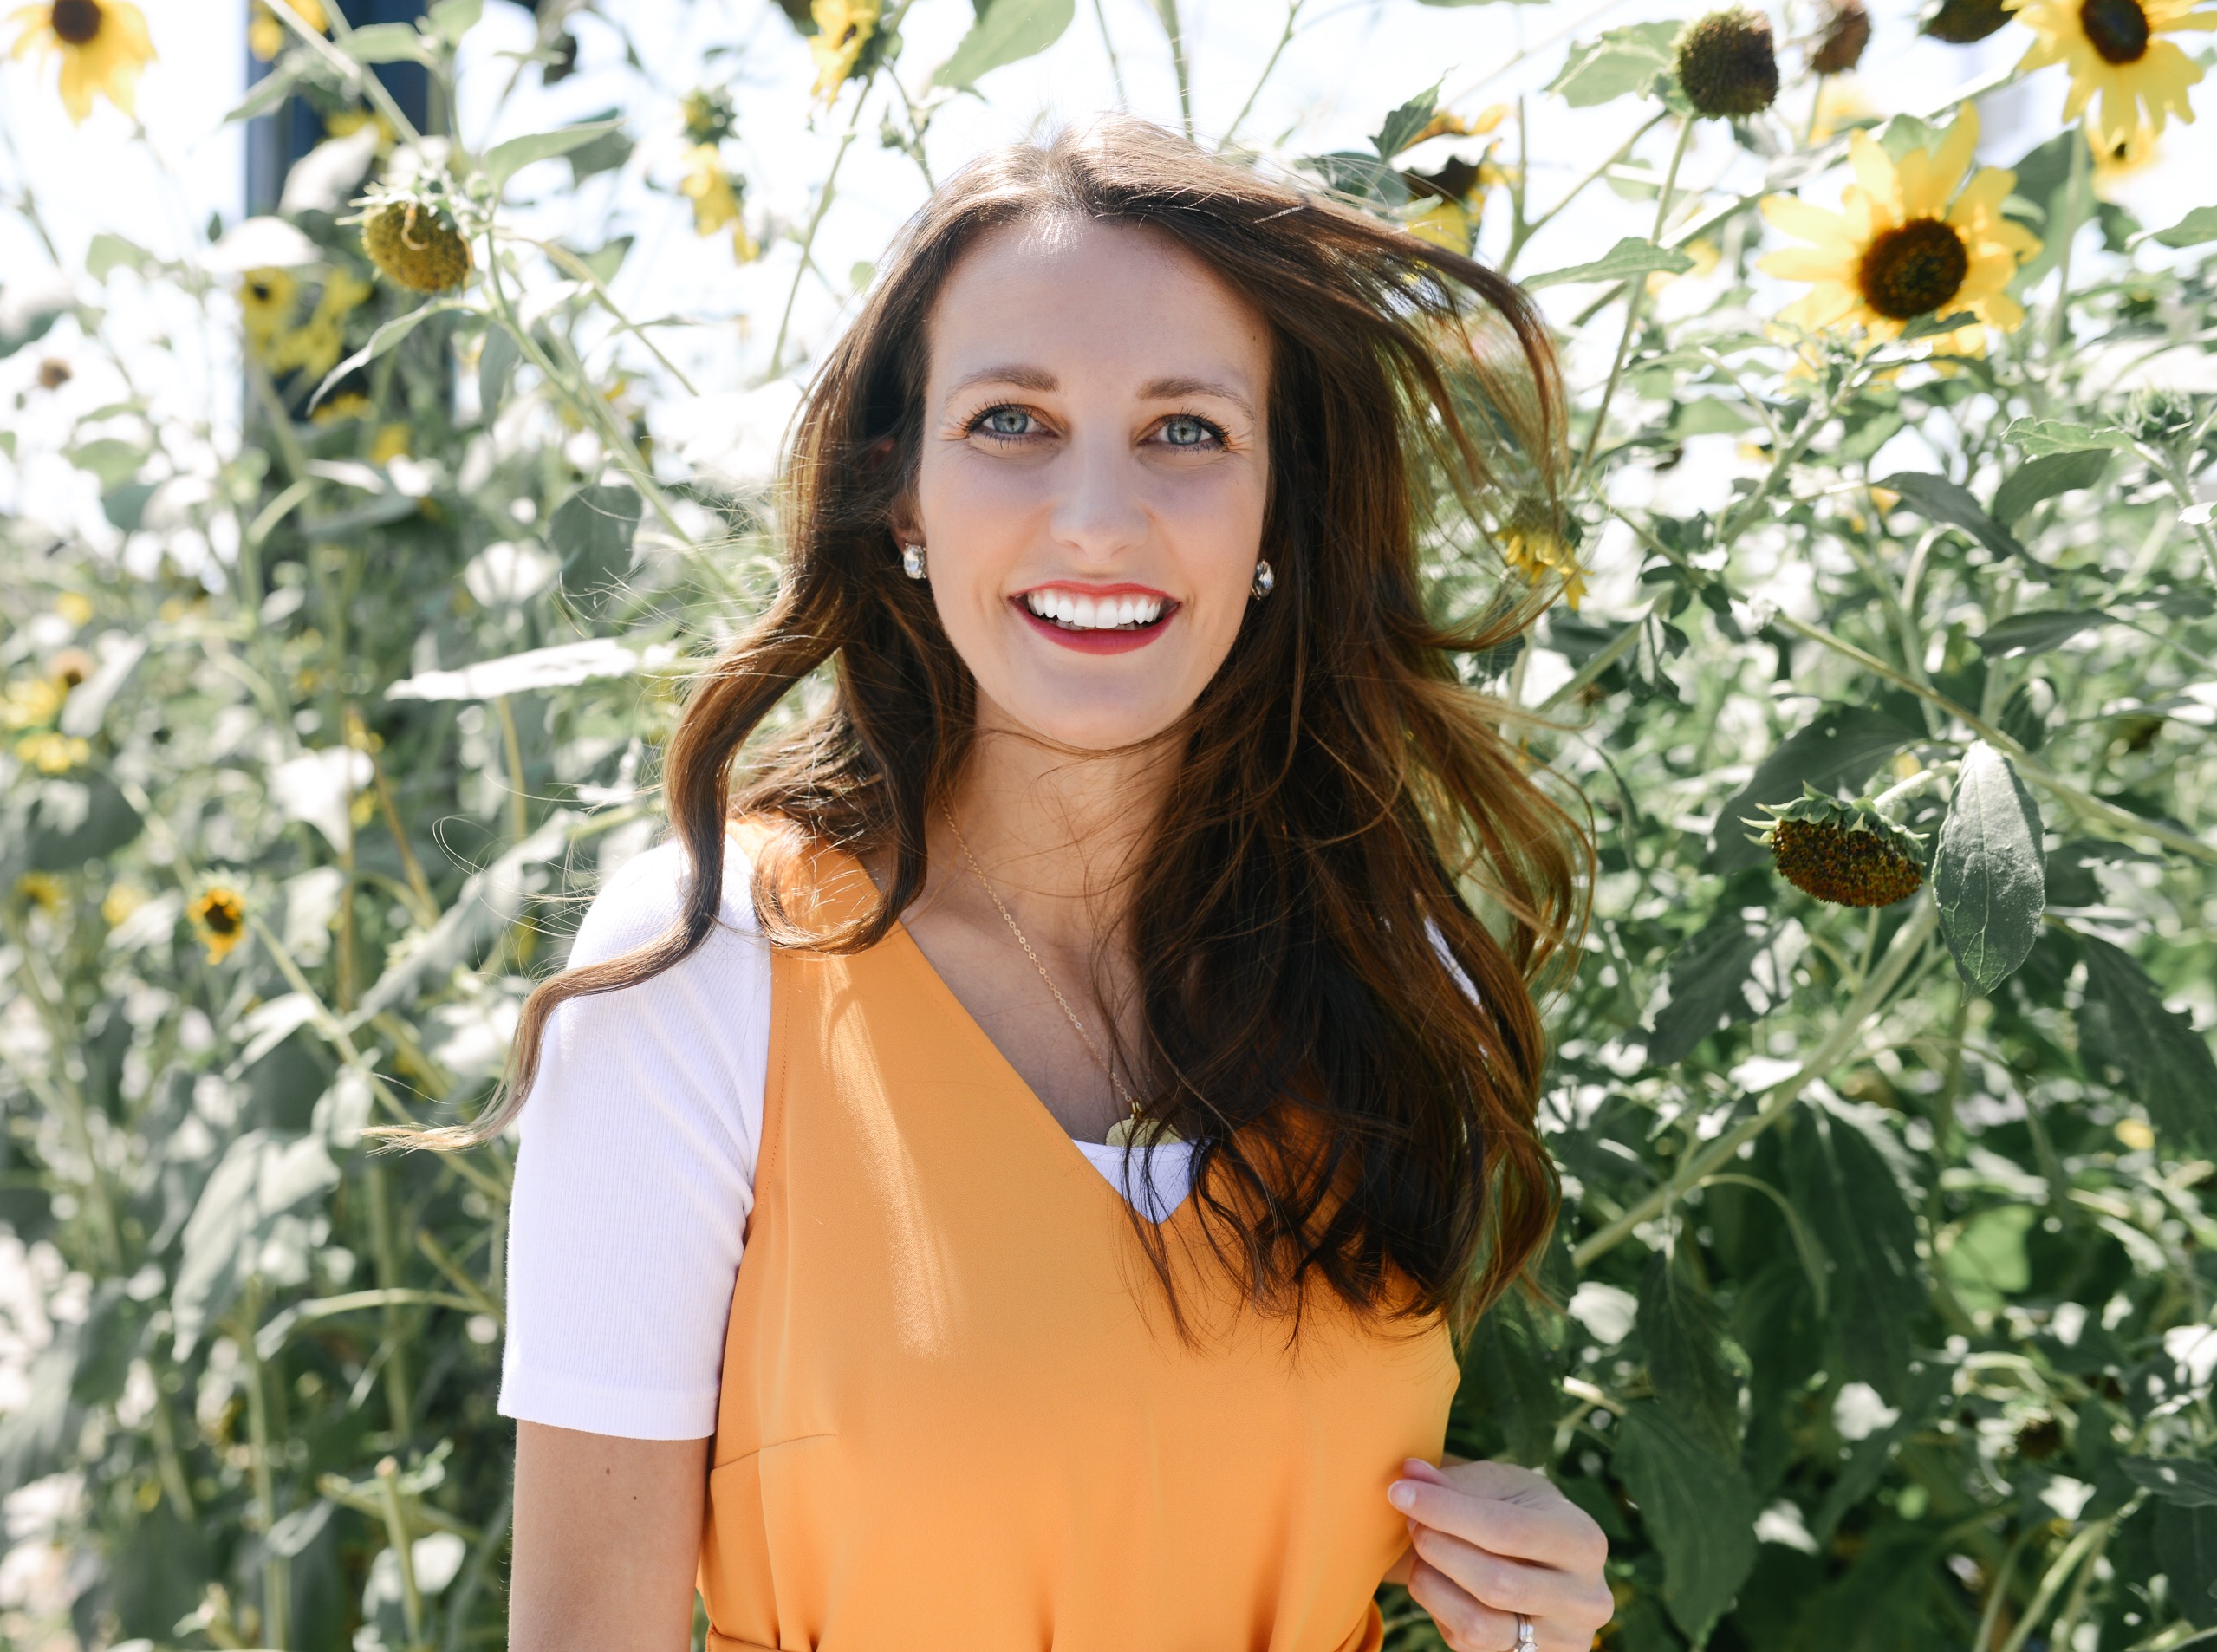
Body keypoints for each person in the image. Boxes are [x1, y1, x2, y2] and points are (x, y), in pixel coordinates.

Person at [438, 118, 1616, 1652]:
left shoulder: (1393, 977)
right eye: (1012, 422)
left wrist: (1528, 1615)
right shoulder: (710, 962)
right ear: (902, 491)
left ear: (1280, 505)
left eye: (1187, 430)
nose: (1099, 518)